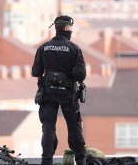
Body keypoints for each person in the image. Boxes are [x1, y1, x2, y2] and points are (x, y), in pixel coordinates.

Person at [31, 15, 86, 165]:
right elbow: (81, 74)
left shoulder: (43, 47)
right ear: (67, 28)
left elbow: (36, 72)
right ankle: (81, 160)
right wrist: (68, 74)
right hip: (68, 93)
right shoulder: (74, 48)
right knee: (74, 126)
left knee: (48, 126)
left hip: (48, 92)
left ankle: (46, 161)